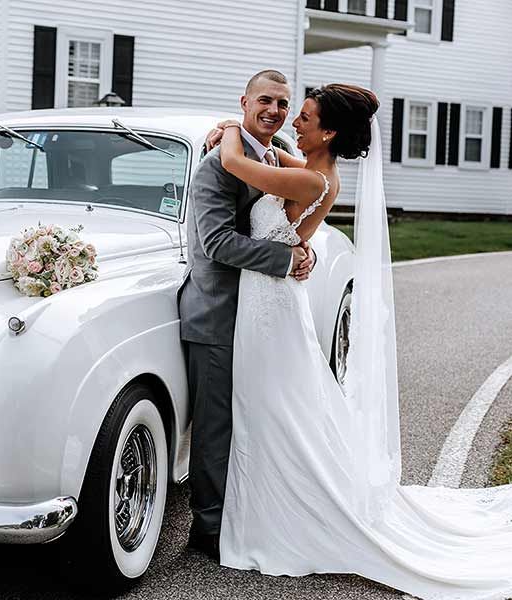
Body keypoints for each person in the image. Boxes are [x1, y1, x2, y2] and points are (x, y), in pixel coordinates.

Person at [209, 83, 512, 599]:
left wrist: (232, 128)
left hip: (270, 311)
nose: (292, 123)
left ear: (327, 132)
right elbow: (271, 157)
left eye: (303, 117)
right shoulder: (314, 171)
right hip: (269, 302)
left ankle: (276, 518)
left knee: (268, 412)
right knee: (274, 412)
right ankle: (269, 505)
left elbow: (238, 166)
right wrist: (242, 133)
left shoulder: (310, 180)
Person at [178, 69, 315, 560]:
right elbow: (215, 243)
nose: (275, 111)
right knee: (215, 427)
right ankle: (209, 531)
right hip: (216, 314)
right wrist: (285, 260)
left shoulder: (273, 156)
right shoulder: (216, 167)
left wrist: (301, 248)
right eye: (266, 101)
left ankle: (249, 510)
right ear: (244, 101)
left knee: (255, 417)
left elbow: (288, 215)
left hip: (259, 314)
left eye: (283, 103)